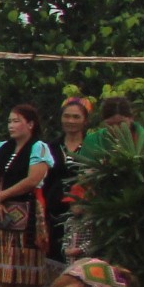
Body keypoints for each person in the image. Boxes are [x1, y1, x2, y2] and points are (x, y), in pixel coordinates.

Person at [0, 104, 56, 287]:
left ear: (30, 124)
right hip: (4, 209)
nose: (11, 126)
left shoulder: (39, 147)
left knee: (31, 259)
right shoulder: (2, 148)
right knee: (4, 259)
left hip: (28, 206)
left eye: (16, 121)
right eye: (9, 121)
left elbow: (33, 179)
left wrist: (1, 196)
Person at [44, 96, 92, 261]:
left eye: (76, 117)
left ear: (85, 121)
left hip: (83, 216)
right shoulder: (50, 148)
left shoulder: (91, 147)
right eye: (67, 116)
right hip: (53, 214)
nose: (70, 120)